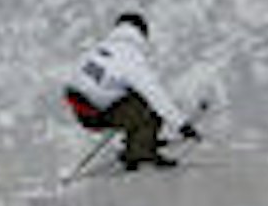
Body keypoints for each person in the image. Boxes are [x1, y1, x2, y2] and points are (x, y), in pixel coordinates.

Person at [65, 12, 199, 169]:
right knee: (150, 109)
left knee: (132, 94)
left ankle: (139, 139)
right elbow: (156, 96)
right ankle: (138, 152)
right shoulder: (131, 57)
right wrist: (182, 125)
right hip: (97, 114)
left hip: (80, 110)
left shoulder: (100, 46)